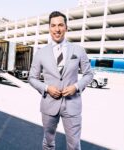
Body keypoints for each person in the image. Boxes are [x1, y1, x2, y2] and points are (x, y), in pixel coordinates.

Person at [28, 11, 93, 150]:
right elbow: (32, 78)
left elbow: (89, 74)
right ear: (49, 28)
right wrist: (46, 88)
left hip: (72, 105)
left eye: (60, 25)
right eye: (53, 25)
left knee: (74, 145)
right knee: (48, 142)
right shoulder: (40, 53)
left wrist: (76, 86)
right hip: (49, 105)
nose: (57, 29)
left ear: (66, 28)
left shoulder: (79, 50)